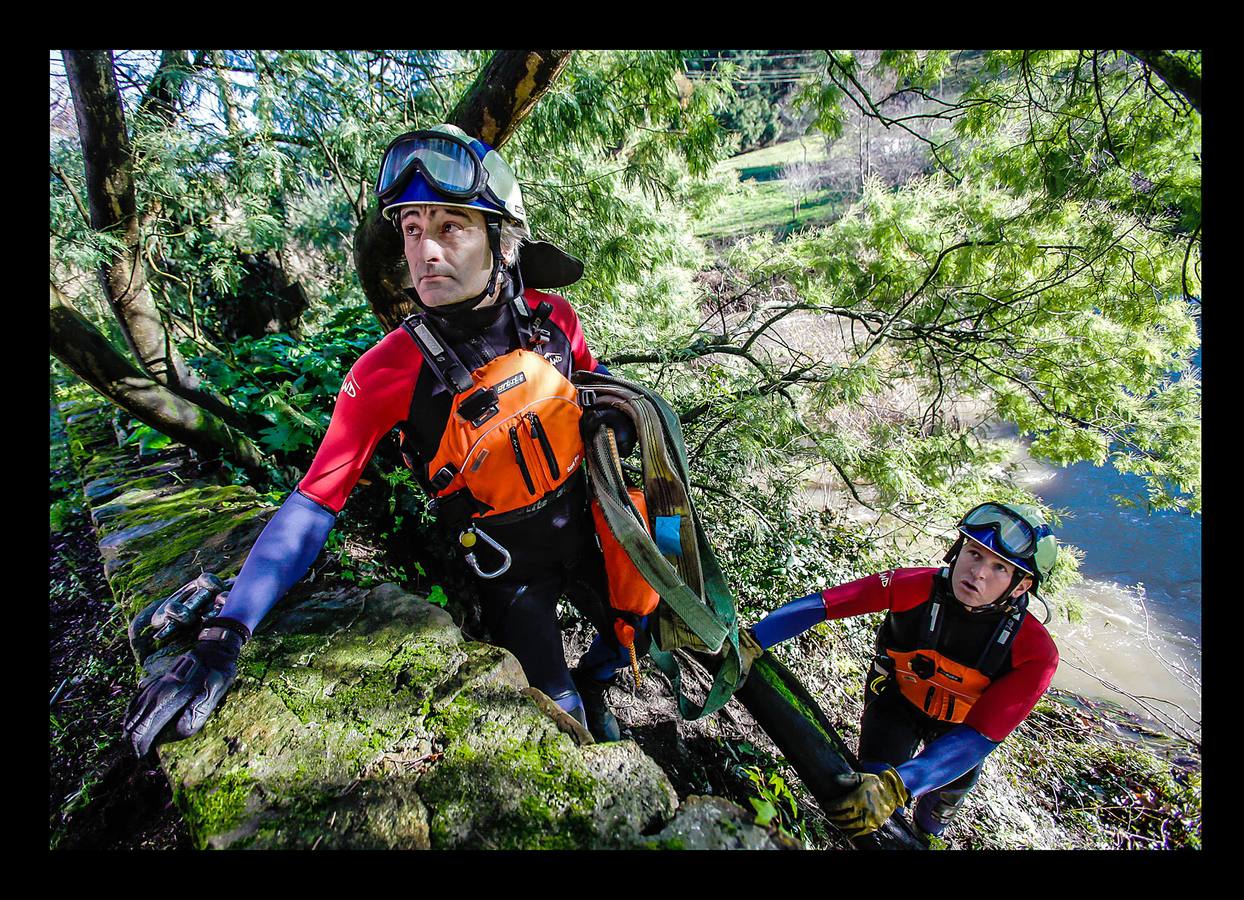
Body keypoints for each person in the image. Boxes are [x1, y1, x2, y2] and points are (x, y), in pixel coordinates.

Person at [123, 124, 643, 756]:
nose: (425, 251)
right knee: (561, 718)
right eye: (412, 229)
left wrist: (615, 411)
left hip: (589, 527)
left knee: (632, 628)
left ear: (502, 242)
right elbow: (314, 502)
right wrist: (226, 632)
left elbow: (591, 379)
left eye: (452, 226)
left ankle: (601, 677)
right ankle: (581, 702)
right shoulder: (385, 373)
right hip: (511, 572)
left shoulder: (552, 318)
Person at [750, 501, 1060, 843]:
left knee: (936, 810)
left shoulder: (1035, 652)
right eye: (974, 553)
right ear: (958, 550)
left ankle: (928, 835)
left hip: (960, 734)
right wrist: (754, 638)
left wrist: (903, 785)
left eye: (999, 567)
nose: (978, 572)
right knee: (870, 791)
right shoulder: (912, 586)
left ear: (1020, 586)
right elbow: (827, 604)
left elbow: (980, 736)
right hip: (897, 703)